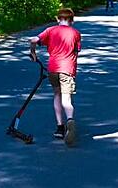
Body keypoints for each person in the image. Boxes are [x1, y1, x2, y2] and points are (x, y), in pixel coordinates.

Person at [29, 8, 82, 146]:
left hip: (53, 69)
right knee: (67, 99)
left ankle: (60, 128)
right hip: (67, 69)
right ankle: (70, 120)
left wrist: (33, 53)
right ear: (72, 20)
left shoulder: (51, 30)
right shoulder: (76, 33)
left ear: (58, 19)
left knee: (56, 95)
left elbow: (34, 40)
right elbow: (76, 52)